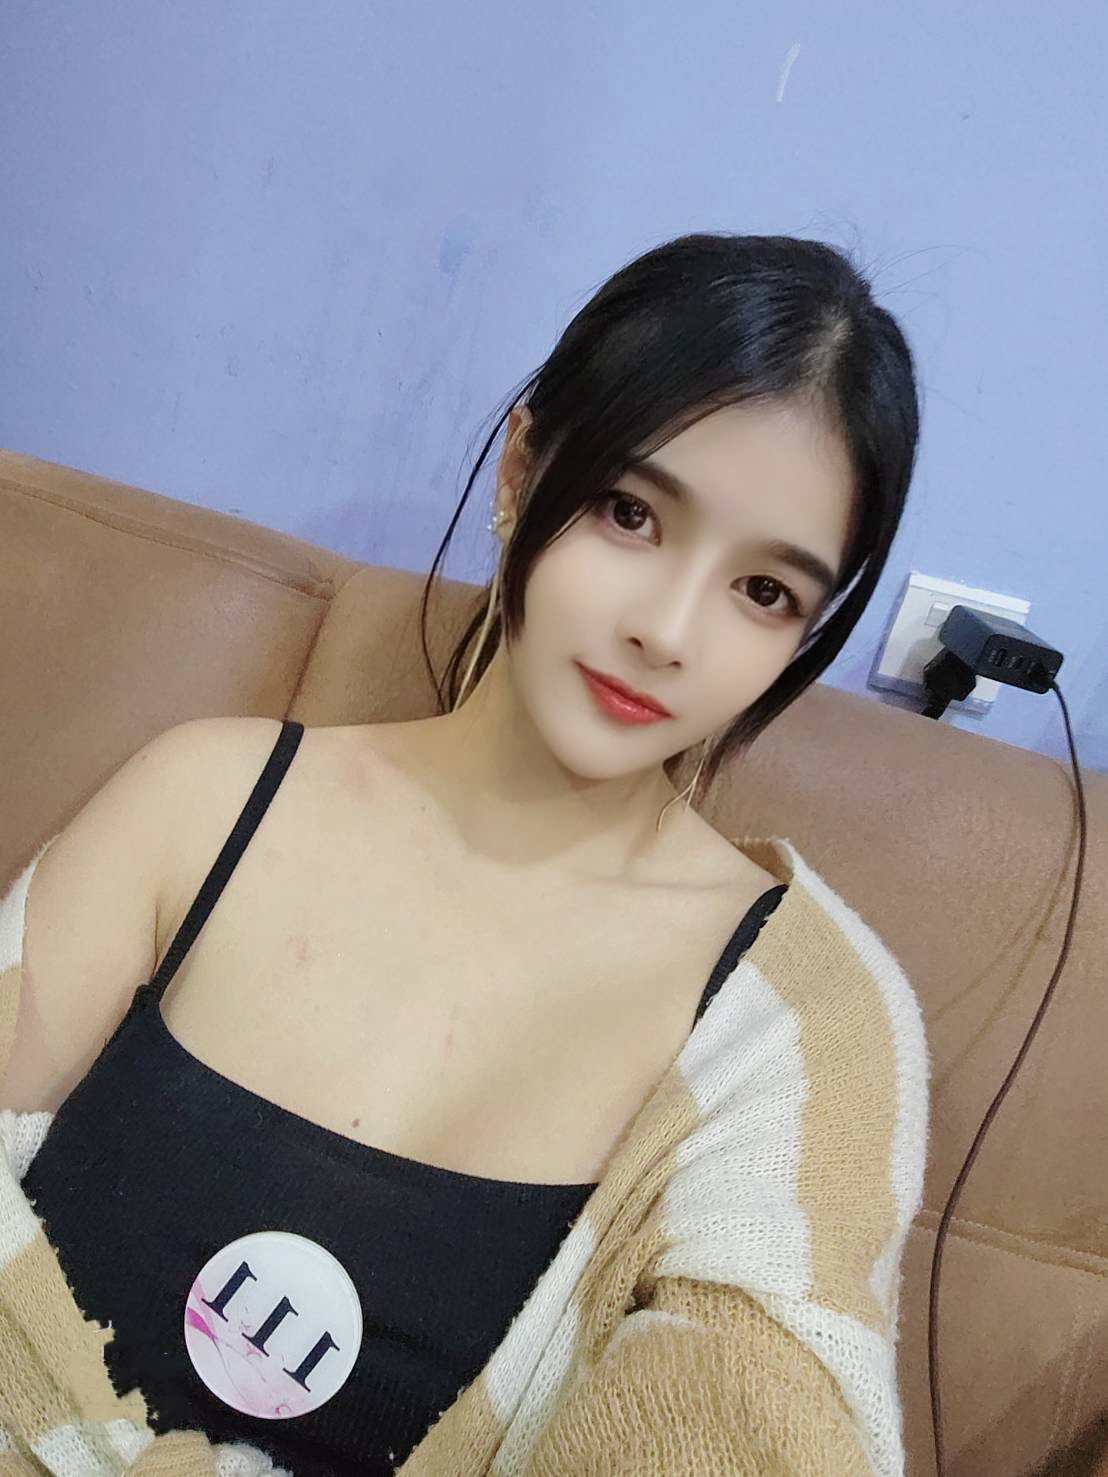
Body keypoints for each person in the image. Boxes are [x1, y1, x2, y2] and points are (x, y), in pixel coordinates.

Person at [0, 232, 931, 1476]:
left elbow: (756, 1415)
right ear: (520, 470)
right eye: (631, 512)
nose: (667, 630)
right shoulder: (203, 800)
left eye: (764, 592)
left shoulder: (803, 1026)